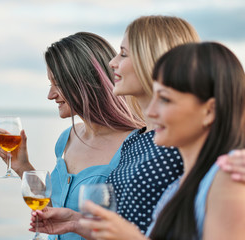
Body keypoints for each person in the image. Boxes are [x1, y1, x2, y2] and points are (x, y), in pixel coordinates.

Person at [29, 15, 199, 237]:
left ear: (152, 61)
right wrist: (77, 222)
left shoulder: (179, 143)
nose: (112, 63)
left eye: (124, 54)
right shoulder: (138, 140)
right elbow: (126, 223)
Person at [78, 42, 245, 240]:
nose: (150, 111)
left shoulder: (228, 178)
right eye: (154, 95)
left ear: (209, 111)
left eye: (165, 99)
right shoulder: (181, 184)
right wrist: (75, 222)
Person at [0, 32, 145, 239]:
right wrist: (22, 166)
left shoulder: (135, 145)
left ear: (85, 82)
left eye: (58, 84)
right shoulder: (67, 137)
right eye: (50, 84)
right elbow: (55, 212)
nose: (50, 95)